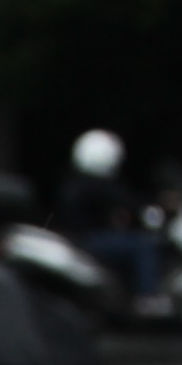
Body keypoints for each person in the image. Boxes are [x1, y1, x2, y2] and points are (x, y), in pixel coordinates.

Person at [62, 127, 159, 297]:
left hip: (78, 239)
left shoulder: (75, 182)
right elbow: (129, 204)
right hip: (89, 241)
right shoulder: (99, 186)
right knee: (143, 245)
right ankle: (147, 298)